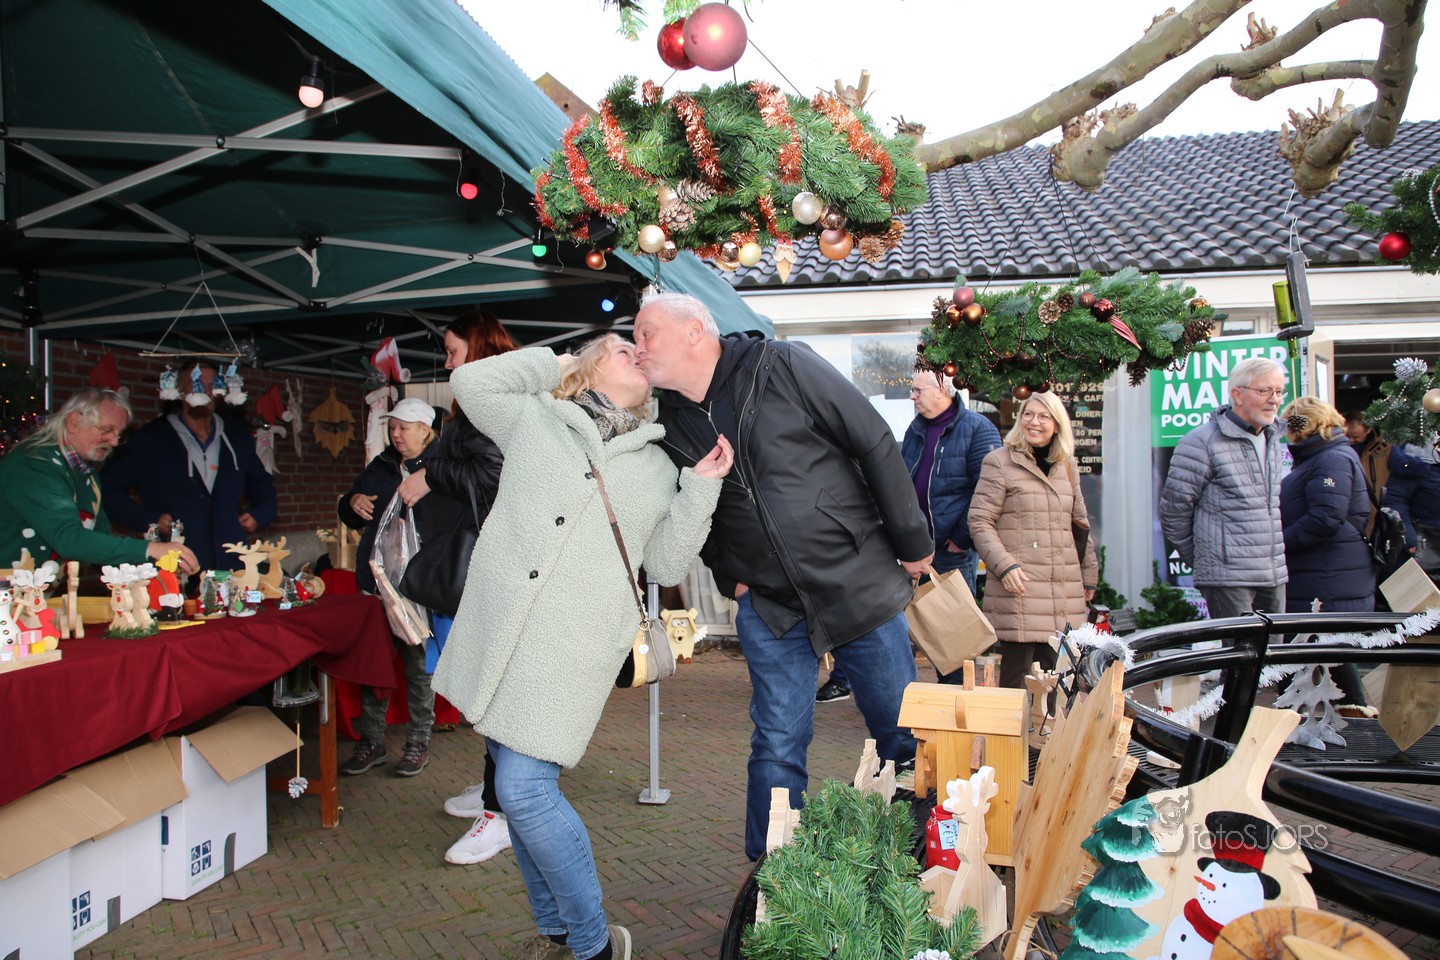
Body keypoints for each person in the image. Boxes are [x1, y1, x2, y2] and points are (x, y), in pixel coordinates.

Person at [431, 335, 732, 960]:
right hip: (501, 631)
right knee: (514, 791)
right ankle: (557, 935)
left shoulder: (659, 465)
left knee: (522, 789)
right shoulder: (534, 419)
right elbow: (470, 384)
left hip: (572, 647)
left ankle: (595, 945)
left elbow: (666, 563)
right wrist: (558, 361)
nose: (637, 353)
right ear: (589, 367)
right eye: (621, 348)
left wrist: (701, 489)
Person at [632, 291, 933, 864]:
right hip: (769, 605)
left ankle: (916, 865)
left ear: (695, 331)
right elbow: (693, 513)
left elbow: (872, 438)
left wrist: (912, 541)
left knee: (900, 734)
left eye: (647, 332)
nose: (638, 347)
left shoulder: (783, 365)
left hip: (857, 580)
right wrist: (731, 576)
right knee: (776, 744)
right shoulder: (668, 425)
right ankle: (771, 880)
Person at [395, 310, 515, 866]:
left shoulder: (491, 407)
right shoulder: (482, 405)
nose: (447, 364)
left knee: (488, 693)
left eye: (453, 352)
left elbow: (495, 477)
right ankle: (495, 787)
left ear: (481, 350)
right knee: (480, 692)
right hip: (468, 569)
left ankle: (502, 808)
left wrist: (430, 474)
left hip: (478, 573)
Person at [336, 398, 455, 778]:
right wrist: (351, 502)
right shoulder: (381, 465)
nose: (396, 434)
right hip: (377, 584)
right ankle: (372, 742)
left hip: (417, 586)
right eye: (392, 427)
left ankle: (418, 742)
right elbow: (349, 511)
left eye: (404, 427)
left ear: (425, 429)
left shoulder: (443, 466)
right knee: (373, 664)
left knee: (418, 669)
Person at [967, 391, 1098, 689]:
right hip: (1021, 588)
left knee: (1054, 685)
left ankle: (1048, 724)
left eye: (1043, 416)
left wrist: (1089, 575)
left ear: (1057, 424)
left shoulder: (1067, 465)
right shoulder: (999, 462)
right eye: (1028, 414)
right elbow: (979, 521)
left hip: (1061, 589)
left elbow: (1079, 523)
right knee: (1017, 685)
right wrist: (1005, 566)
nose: (1033, 422)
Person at [101, 361, 277, 570]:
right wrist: (148, 519)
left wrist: (261, 513)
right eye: (196, 383)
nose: (206, 392)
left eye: (213, 385)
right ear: (179, 390)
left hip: (231, 561)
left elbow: (261, 483)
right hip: (176, 564)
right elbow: (106, 490)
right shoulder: (151, 440)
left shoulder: (236, 437)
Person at [0, 388, 199, 573]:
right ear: (73, 422)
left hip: (28, 593)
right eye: (106, 430)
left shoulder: (85, 471)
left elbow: (100, 539)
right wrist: (149, 549)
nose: (114, 442)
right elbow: (68, 539)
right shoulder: (35, 464)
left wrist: (152, 565)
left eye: (119, 435)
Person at [1159, 357, 1288, 619]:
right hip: (1228, 578)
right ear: (1237, 394)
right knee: (1240, 646)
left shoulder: (1273, 437)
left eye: (1279, 391)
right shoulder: (1201, 441)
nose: (1274, 400)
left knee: (1274, 646)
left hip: (1273, 573)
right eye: (1265, 391)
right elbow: (1174, 511)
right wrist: (1207, 561)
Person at [902, 366, 1003, 682]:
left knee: (953, 636)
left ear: (942, 390)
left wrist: (961, 538)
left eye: (918, 390)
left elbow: (987, 490)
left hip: (951, 551)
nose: (912, 396)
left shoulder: (978, 429)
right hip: (913, 550)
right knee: (906, 629)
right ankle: (906, 698)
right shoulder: (915, 430)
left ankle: (955, 699)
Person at [1278, 397, 1375, 716]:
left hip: (1326, 572)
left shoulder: (1330, 458)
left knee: (1315, 647)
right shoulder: (1324, 455)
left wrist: (1278, 543)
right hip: (1325, 569)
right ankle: (1350, 716)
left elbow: (1326, 517)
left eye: (1290, 423)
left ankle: (1294, 722)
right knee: (1330, 648)